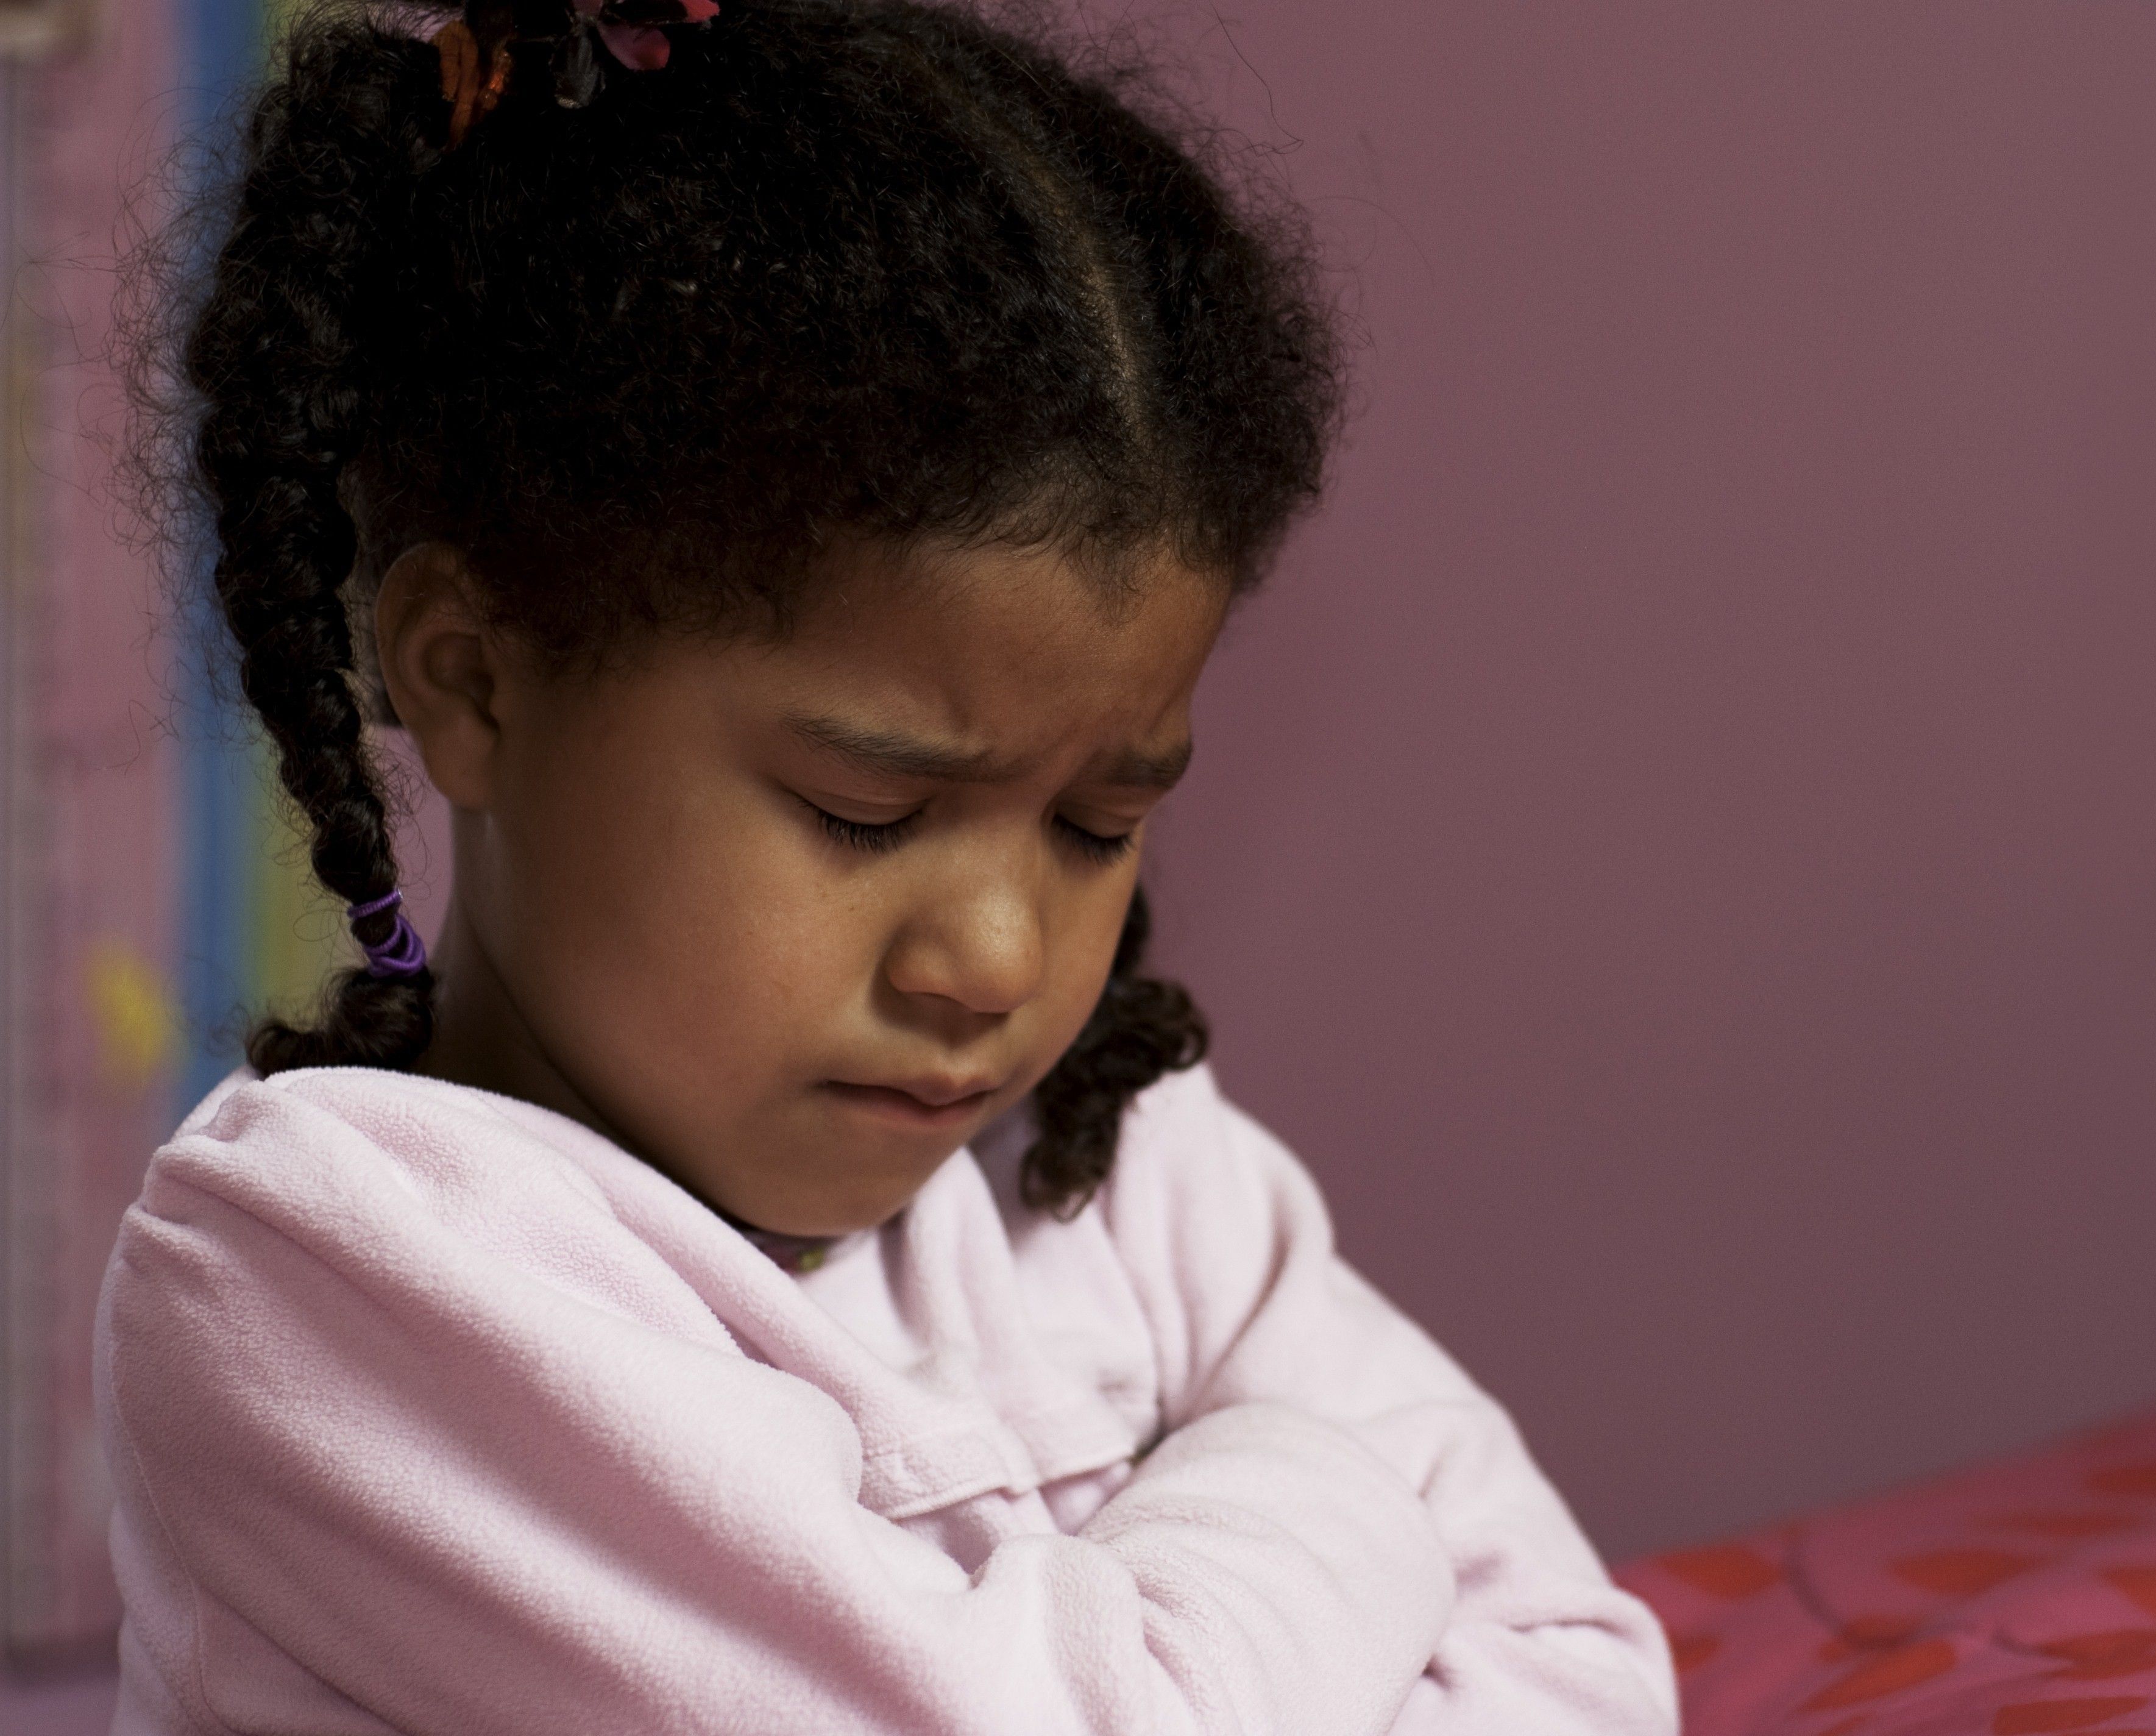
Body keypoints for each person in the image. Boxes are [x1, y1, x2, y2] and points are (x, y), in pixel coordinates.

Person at [95, 2, 1677, 1732]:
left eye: (1096, 824)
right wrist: (1325, 1480)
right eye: (866, 811)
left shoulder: (1121, 1170)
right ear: (476, 678)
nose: (996, 960)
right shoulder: (327, 1274)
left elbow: (1585, 1675)